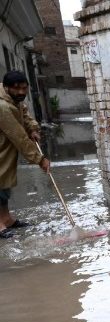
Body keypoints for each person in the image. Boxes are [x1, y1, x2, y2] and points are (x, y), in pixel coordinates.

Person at [0, 70, 50, 239]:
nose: (21, 92)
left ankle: (6, 219)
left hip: (4, 149)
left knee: (3, 184)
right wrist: (39, 159)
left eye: (24, 88)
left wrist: (33, 129)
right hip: (4, 145)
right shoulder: (2, 106)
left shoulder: (14, 100)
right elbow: (19, 137)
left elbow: (25, 116)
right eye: (16, 89)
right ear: (6, 88)